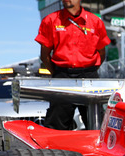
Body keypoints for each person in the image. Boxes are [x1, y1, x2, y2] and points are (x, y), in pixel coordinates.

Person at [35, 0, 110, 130]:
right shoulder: (51, 20)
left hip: (89, 77)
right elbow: (44, 55)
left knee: (98, 126)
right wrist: (58, 74)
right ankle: (55, 150)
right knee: (56, 126)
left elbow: (101, 53)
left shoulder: (95, 22)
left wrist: (89, 70)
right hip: (62, 76)